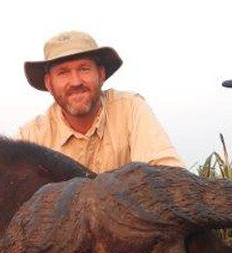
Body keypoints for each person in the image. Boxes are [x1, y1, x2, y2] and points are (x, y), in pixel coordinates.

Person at [17, 31, 185, 173]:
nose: (75, 82)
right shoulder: (30, 137)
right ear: (49, 83)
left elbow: (170, 175)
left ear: (101, 74)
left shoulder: (131, 109)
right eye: (63, 73)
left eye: (84, 69)